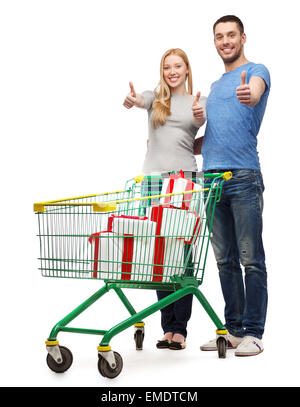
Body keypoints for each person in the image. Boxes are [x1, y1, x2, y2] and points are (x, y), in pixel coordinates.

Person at [195, 15, 270, 356]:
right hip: (210, 181)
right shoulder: (213, 87)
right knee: (224, 261)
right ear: (214, 42)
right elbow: (212, 137)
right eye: (219, 36)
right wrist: (172, 141)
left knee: (250, 259)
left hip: (243, 178)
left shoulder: (256, 72)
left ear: (242, 37)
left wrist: (249, 94)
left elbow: (253, 94)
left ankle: (254, 332)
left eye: (230, 35)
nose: (225, 41)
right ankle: (235, 330)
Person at [123, 48, 206, 350]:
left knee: (181, 250)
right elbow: (138, 100)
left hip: (183, 181)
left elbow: (211, 136)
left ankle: (179, 328)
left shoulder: (200, 103)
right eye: (167, 67)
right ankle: (166, 327)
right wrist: (132, 101)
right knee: (159, 252)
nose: (172, 72)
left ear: (187, 69)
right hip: (153, 182)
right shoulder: (155, 99)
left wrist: (200, 119)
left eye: (178, 66)